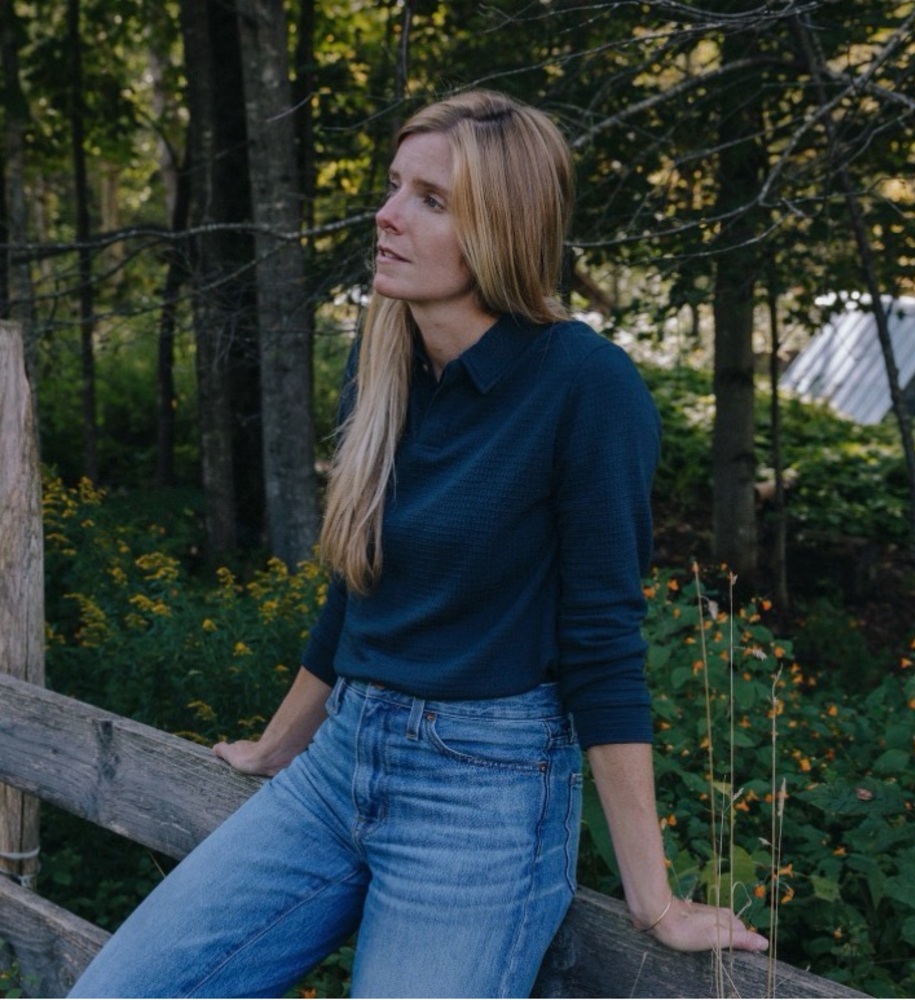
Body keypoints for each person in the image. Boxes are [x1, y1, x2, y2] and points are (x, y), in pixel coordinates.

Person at [69, 89, 767, 999]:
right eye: (395, 186)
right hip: (338, 767)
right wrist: (279, 745)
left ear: (504, 229)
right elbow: (357, 589)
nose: (387, 215)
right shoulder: (385, 363)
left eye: (430, 200)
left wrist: (654, 899)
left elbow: (603, 642)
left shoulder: (586, 388)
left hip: (482, 802)